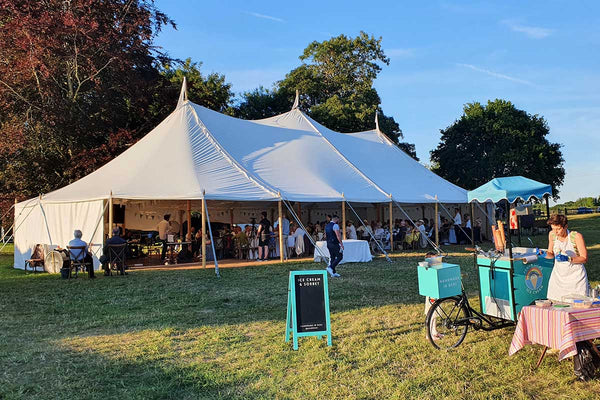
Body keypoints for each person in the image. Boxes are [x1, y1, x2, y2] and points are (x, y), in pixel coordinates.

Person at [542, 214, 589, 301]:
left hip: (576, 279)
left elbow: (584, 258)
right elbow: (551, 254)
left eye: (558, 229)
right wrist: (543, 254)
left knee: (576, 306)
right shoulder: (552, 235)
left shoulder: (576, 237)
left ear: (565, 226)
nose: (556, 232)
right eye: (553, 228)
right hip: (558, 278)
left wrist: (568, 259)